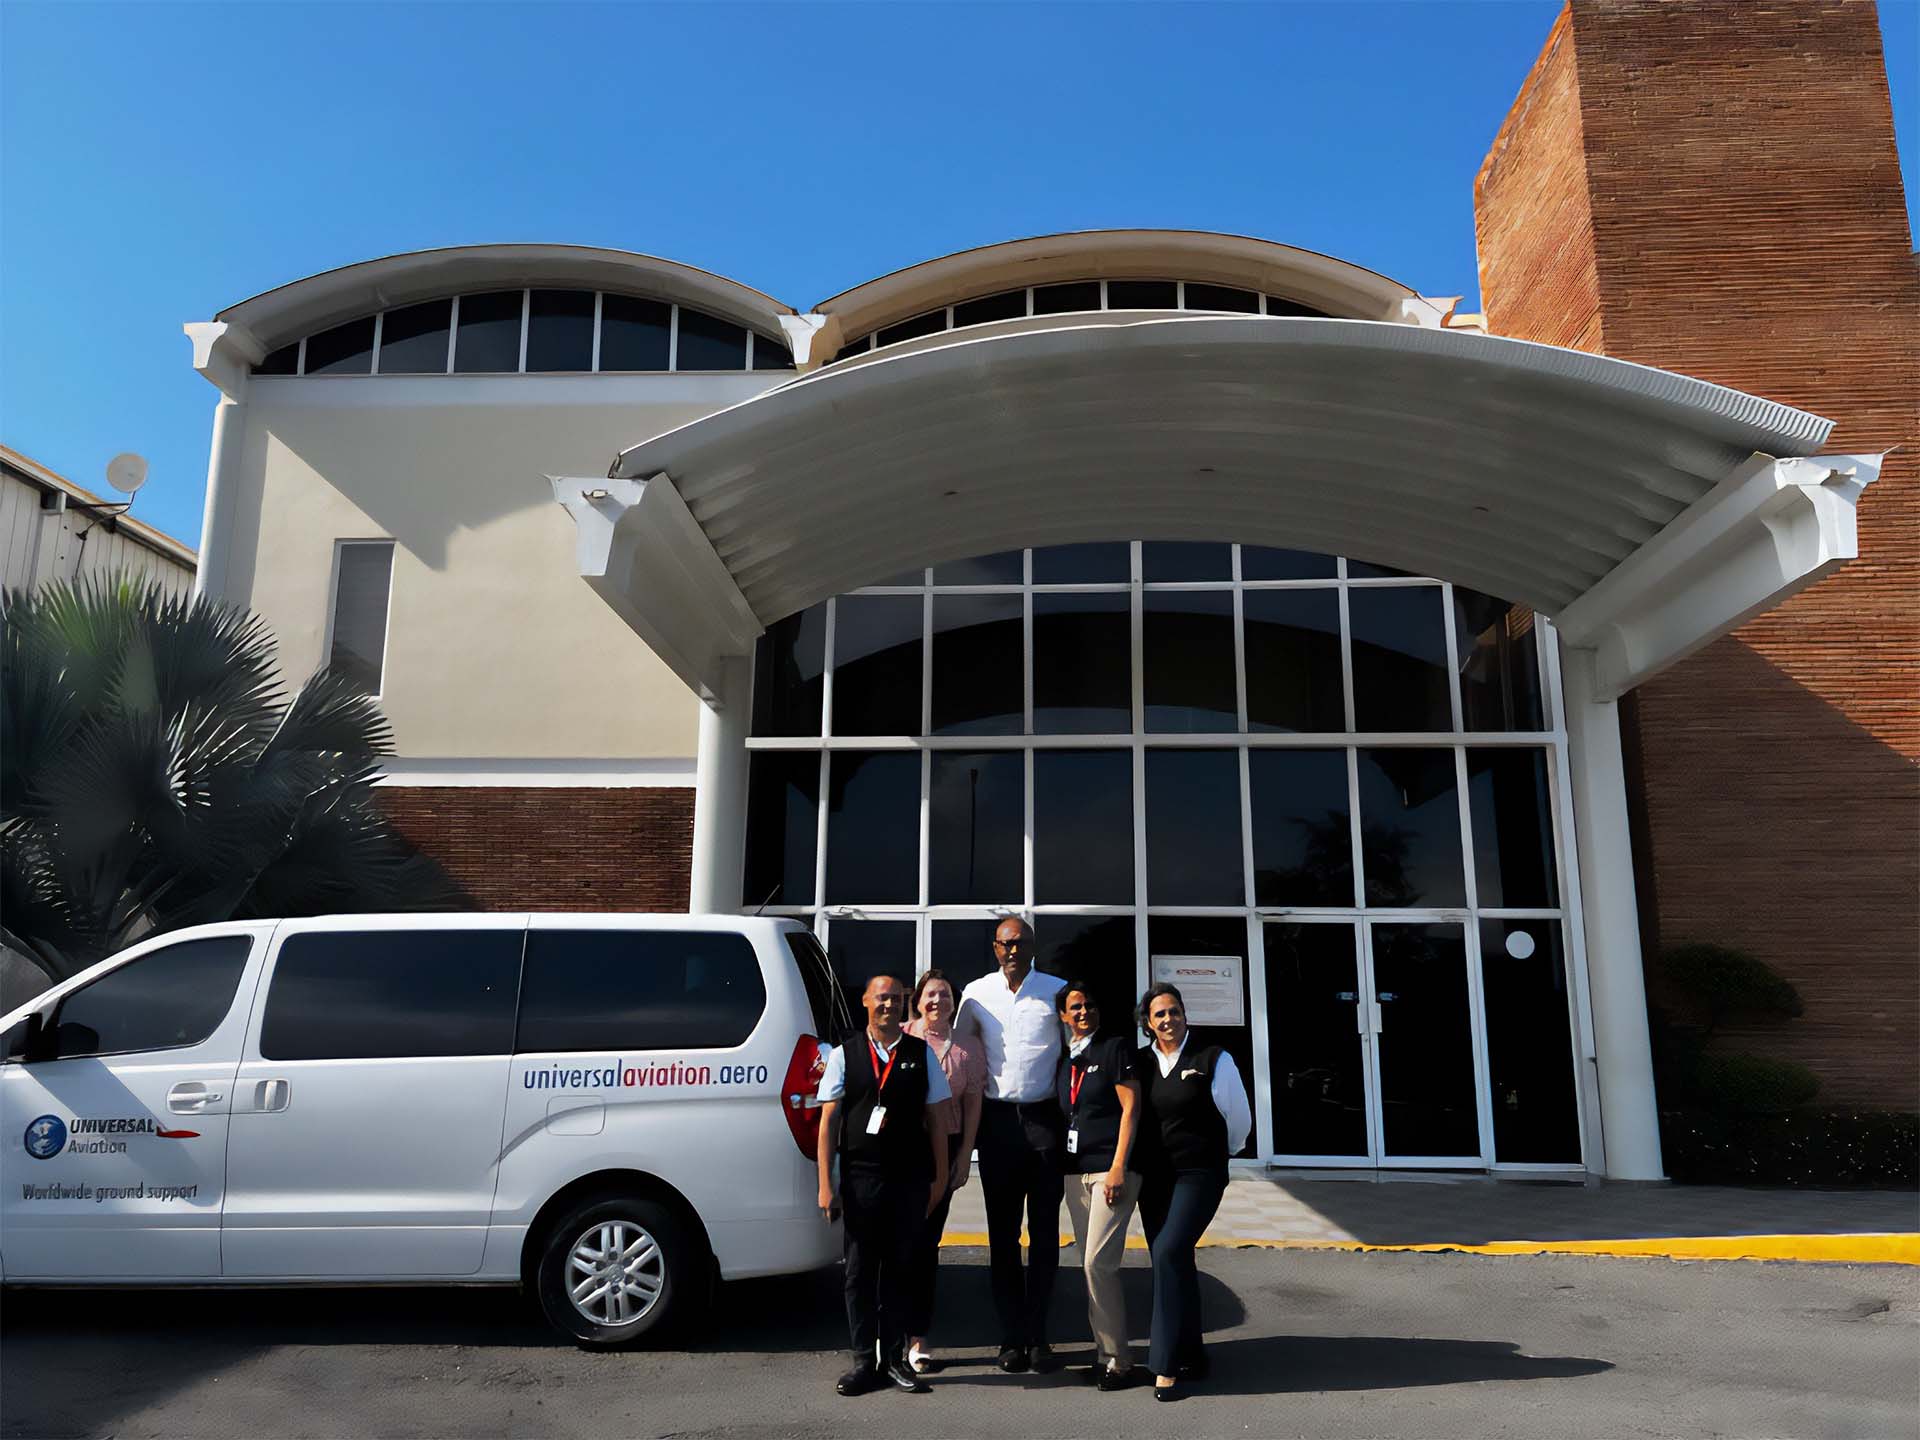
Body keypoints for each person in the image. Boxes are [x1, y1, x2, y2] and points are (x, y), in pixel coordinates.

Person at [817, 972, 952, 1397]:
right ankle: (863, 1361)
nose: (889, 1005)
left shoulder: (920, 1053)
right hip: (860, 1178)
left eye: (896, 998)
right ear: (865, 1002)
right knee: (859, 1272)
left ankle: (894, 1358)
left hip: (909, 1178)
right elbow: (828, 1124)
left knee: (900, 1270)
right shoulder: (846, 1054)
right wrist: (826, 1184)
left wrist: (941, 1176)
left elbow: (937, 1119)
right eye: (881, 998)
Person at [954, 916, 1068, 1373]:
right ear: (995, 949)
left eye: (1020, 942)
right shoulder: (976, 993)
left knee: (1044, 1237)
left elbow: (1074, 1051)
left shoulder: (1057, 991)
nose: (1013, 950)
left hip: (1044, 1121)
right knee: (1002, 1237)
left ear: (1033, 945)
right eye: (1005, 944)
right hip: (998, 1123)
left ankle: (1039, 1336)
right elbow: (956, 1050)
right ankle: (1010, 1337)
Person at [1133, 982, 1252, 1402]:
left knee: (1167, 1251)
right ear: (1148, 1023)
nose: (1168, 1019)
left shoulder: (1213, 1058)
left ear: (1185, 1014)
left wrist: (1222, 1154)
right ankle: (1193, 1354)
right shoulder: (1142, 1063)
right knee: (1175, 1259)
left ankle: (1165, 1365)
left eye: (1174, 1011)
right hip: (1155, 1179)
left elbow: (1238, 1117)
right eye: (1159, 1014)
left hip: (1198, 1174)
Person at [1055, 981, 1142, 1391]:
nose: (1084, 1011)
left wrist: (1118, 1166)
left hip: (1110, 1171)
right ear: (1063, 1016)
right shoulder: (1067, 1059)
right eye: (1076, 1006)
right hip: (1076, 1173)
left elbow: (1131, 1108)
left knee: (1097, 1264)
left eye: (1089, 1004)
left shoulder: (1115, 1049)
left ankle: (1119, 1361)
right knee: (1090, 1268)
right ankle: (1103, 1354)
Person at [902, 968, 985, 1374]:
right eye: (931, 995)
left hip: (945, 1150)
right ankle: (885, 1331)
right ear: (917, 1001)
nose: (938, 1002)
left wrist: (964, 1156)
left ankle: (918, 1336)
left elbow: (972, 1105)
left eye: (946, 996)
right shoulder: (900, 1037)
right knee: (893, 1242)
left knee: (924, 1243)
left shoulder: (967, 1047)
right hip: (899, 1150)